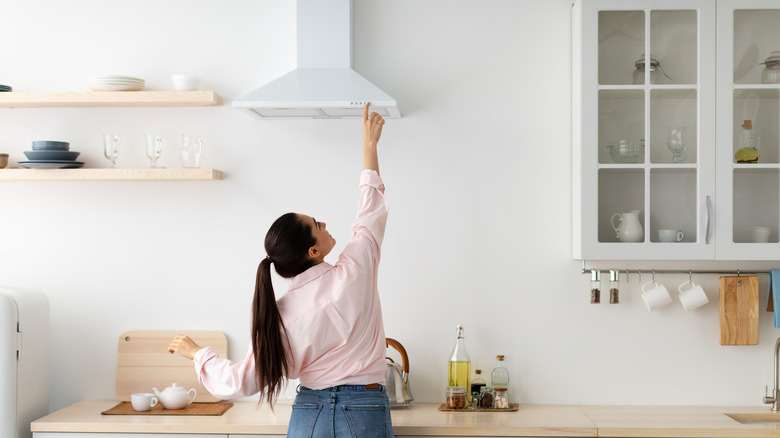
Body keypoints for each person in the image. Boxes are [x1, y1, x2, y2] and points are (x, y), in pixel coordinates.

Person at [168, 103, 393, 437]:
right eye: (317, 224)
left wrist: (197, 353)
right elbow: (369, 214)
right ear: (313, 251)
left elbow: (241, 380)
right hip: (363, 410)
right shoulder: (355, 269)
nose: (325, 222)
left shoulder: (280, 314)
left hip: (309, 413)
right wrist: (369, 149)